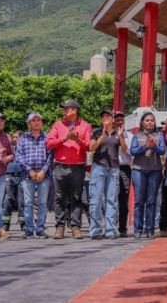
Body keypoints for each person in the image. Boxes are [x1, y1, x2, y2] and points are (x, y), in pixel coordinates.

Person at [46, 99, 92, 240]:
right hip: (60, 165)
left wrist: (78, 140)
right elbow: (48, 143)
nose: (64, 111)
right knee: (59, 198)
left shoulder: (85, 126)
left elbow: (89, 146)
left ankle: (76, 227)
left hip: (78, 166)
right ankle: (60, 227)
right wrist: (64, 139)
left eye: (67, 109)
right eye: (64, 109)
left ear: (75, 110)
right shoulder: (58, 125)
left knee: (76, 198)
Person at [88, 110, 127, 240]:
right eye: (103, 116)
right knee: (96, 199)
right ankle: (95, 230)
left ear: (112, 119)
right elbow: (91, 147)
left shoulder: (117, 133)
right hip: (99, 167)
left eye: (107, 116)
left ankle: (110, 230)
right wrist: (102, 138)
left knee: (112, 200)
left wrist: (120, 136)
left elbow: (125, 149)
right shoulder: (96, 132)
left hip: (114, 168)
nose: (105, 118)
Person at [130, 111, 166, 239]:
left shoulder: (159, 135)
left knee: (151, 200)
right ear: (142, 123)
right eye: (147, 120)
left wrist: (154, 146)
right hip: (139, 170)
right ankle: (138, 229)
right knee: (139, 201)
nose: (150, 122)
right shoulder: (137, 135)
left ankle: (150, 229)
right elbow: (132, 151)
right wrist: (145, 147)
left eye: (152, 120)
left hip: (154, 170)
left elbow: (162, 150)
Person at [16, 113, 52, 238]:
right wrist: (29, 170)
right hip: (27, 175)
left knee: (42, 203)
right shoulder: (23, 138)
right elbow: (19, 156)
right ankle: (29, 229)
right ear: (28, 124)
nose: (36, 122)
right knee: (28, 202)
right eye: (33, 120)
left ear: (42, 122)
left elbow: (50, 156)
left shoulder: (47, 137)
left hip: (44, 175)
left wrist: (43, 170)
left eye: (39, 120)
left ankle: (41, 228)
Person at [113, 111, 134, 238]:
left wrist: (120, 137)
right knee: (110, 198)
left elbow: (127, 151)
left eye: (121, 119)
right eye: (117, 119)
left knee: (123, 199)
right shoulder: (109, 134)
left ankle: (122, 228)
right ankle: (110, 226)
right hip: (110, 168)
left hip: (124, 168)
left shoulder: (130, 135)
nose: (119, 121)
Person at [2, 130, 25, 233]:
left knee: (22, 202)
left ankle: (23, 223)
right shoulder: (8, 148)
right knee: (7, 200)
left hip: (21, 176)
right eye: (13, 137)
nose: (14, 139)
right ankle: (5, 223)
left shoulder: (25, 149)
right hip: (9, 176)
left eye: (16, 137)